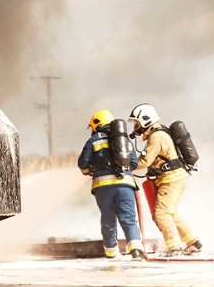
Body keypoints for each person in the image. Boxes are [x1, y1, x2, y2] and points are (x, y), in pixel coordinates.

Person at [130, 103, 201, 256]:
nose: (135, 126)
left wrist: (126, 166)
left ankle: (174, 247)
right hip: (171, 178)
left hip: (172, 179)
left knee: (161, 213)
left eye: (136, 122)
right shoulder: (156, 134)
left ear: (145, 120)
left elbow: (145, 161)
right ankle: (194, 242)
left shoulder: (157, 137)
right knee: (170, 212)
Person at [77, 109, 144, 260]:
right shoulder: (124, 139)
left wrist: (91, 170)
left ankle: (111, 254)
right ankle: (136, 251)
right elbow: (133, 162)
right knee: (128, 218)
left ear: (97, 124)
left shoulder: (94, 140)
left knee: (108, 219)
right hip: (125, 186)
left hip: (103, 187)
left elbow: (82, 163)